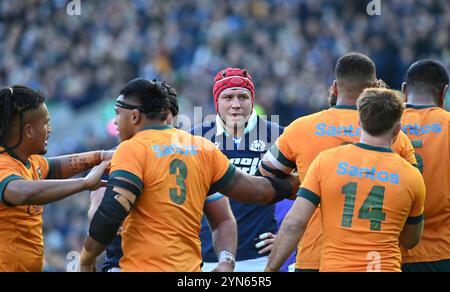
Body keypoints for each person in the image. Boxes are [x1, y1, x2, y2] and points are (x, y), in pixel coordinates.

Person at [79, 78, 298, 272]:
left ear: (136, 116)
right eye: (228, 97)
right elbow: (250, 194)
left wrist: (86, 258)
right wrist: (296, 185)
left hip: (133, 264)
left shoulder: (130, 151)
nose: (116, 121)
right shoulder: (200, 147)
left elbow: (106, 213)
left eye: (118, 114)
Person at [259, 52, 417, 272]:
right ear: (374, 87)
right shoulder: (394, 136)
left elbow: (266, 171)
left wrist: (304, 186)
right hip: (377, 262)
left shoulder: (301, 128)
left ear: (334, 87)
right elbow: (412, 197)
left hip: (313, 257)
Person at [191, 67, 294, 272]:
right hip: (207, 259)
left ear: (252, 100)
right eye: (228, 97)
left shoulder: (280, 137)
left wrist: (288, 238)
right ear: (216, 102)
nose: (236, 105)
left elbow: (310, 187)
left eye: (243, 97)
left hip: (260, 260)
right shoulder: (196, 139)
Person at [0, 85, 111, 272]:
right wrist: (84, 183)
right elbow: (19, 192)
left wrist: (102, 156)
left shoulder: (31, 161)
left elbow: (57, 167)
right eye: (45, 123)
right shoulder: (3, 164)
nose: (50, 130)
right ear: (28, 131)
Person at [400, 60, 450, 272]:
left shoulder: (381, 126)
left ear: (404, 90)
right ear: (444, 92)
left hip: (389, 253)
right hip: (441, 251)